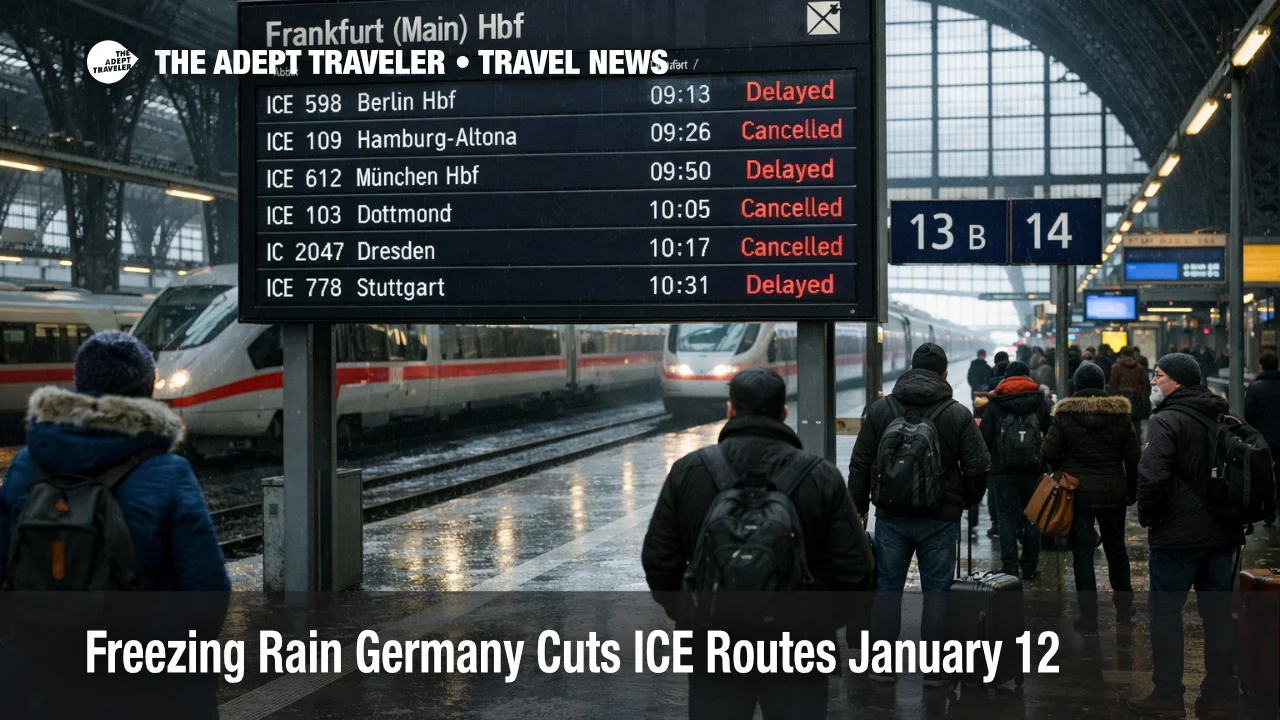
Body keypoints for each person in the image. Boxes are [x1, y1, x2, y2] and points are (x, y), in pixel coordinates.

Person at [0, 330, 230, 719]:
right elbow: (206, 591)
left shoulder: (26, 466)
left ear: (79, 383)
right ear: (145, 389)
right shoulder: (169, 472)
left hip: (38, 679)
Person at [642, 367, 873, 719]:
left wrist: (695, 610)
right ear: (783, 412)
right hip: (799, 646)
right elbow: (856, 569)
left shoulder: (690, 471)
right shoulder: (820, 475)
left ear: (731, 410)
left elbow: (659, 561)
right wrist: (817, 620)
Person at [848, 343, 990, 684]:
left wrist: (859, 508)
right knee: (938, 592)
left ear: (911, 368)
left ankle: (882, 668)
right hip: (940, 517)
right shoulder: (956, 413)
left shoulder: (882, 409)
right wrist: (967, 500)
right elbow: (979, 464)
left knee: (887, 589)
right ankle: (936, 672)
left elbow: (860, 462)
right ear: (944, 374)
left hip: (891, 516)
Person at [1127, 354, 1241, 719]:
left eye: (1158, 376)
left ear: (1176, 380)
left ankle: (1168, 694)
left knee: (1165, 614)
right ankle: (1219, 695)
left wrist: (1149, 516)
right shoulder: (1224, 416)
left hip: (1177, 537)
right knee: (1219, 616)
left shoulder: (1165, 420)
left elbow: (1152, 476)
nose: (1153, 383)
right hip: (1222, 534)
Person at [1040, 363, 1139, 633]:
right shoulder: (1120, 415)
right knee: (1117, 549)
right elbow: (1133, 457)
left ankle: (1088, 616)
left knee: (1082, 554)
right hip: (1112, 491)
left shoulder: (1064, 415)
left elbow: (1047, 454)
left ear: (1076, 384)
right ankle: (1123, 608)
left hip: (1077, 494)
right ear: (1103, 383)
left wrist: (1066, 463)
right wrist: (1132, 490)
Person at [979, 361, 1052, 580]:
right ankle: (1029, 566)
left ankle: (1009, 566)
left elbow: (984, 437)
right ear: (1027, 376)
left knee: (1006, 517)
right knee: (1033, 516)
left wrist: (990, 462)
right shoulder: (1040, 401)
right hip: (1033, 469)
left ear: (1006, 379)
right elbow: (1051, 433)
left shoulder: (996, 403)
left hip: (1003, 470)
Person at [1244, 350, 1280, 526]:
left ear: (1261, 366)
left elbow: (1249, 414)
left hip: (1263, 438)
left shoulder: (1254, 388)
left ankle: (1269, 510)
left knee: (1265, 474)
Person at [1110, 347, 1151, 438]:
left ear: (1122, 355)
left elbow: (1113, 384)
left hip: (1121, 398)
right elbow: (1145, 384)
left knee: (1121, 423)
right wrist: (1143, 397)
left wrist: (1113, 397)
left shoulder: (1116, 367)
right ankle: (1135, 444)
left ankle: (1123, 445)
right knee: (1136, 423)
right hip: (1136, 398)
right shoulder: (1140, 368)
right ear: (1133, 355)